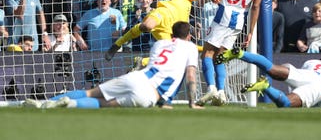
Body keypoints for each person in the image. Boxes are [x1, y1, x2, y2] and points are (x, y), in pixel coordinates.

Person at [25, 21, 202, 109]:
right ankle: (69, 104)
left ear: (172, 33)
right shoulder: (190, 47)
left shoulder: (160, 44)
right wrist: (192, 102)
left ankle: (45, 103)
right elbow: (190, 76)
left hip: (136, 77)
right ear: (188, 36)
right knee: (102, 103)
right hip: (148, 94)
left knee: (90, 92)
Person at [197, 0, 265, 107]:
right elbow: (256, 6)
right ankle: (221, 92)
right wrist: (250, 31)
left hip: (224, 13)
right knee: (220, 57)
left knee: (207, 53)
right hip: (240, 19)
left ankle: (212, 88)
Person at [216, 46, 321, 108]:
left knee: (271, 69)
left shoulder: (311, 61)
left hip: (307, 74)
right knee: (286, 103)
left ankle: (241, 54)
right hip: (318, 86)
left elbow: (294, 76)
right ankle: (266, 87)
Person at [104, 0, 211, 60]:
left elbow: (190, 47)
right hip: (163, 13)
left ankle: (142, 62)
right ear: (189, 35)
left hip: (164, 31)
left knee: (172, 53)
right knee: (147, 26)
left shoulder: (180, 32)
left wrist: (208, 49)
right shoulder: (183, 0)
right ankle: (117, 44)